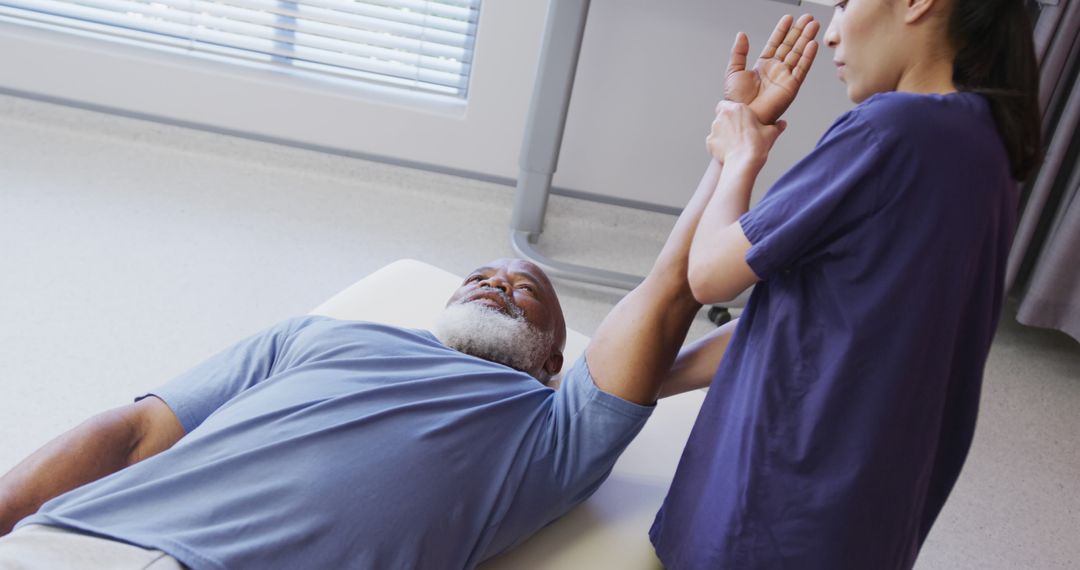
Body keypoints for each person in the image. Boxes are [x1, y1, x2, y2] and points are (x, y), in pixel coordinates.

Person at [0, 15, 819, 567]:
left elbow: (669, 293)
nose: (499, 278)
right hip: (82, 543)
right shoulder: (315, 336)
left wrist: (730, 148)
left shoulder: (552, 431)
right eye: (484, 276)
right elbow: (140, 428)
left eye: (526, 289)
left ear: (554, 360)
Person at [649, 0, 1041, 568]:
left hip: (772, 508)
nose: (831, 34)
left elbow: (709, 273)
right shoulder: (986, 148)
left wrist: (740, 153)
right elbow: (816, 322)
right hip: (863, 517)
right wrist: (646, 381)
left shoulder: (892, 130)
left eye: (843, 3)